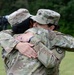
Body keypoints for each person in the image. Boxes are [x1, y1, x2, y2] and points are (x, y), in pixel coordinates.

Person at [0, 9, 74, 75]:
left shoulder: (10, 38)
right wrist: (19, 44)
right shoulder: (16, 36)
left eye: (40, 24)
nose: (35, 25)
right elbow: (51, 63)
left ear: (51, 27)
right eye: (34, 22)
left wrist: (30, 39)